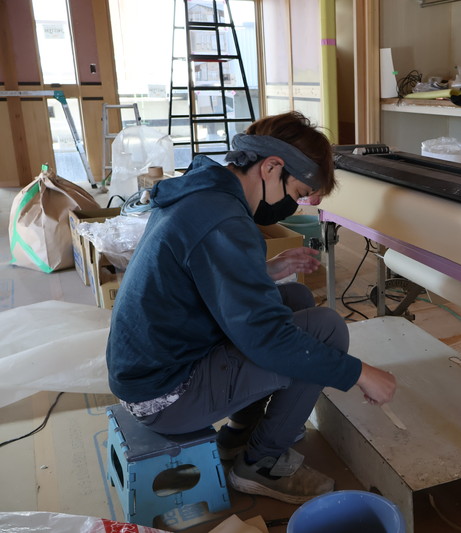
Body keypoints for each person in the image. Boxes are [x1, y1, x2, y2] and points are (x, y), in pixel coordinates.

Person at [106, 111, 396, 505]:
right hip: (166, 397)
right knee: (326, 329)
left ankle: (241, 431)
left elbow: (198, 275)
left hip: (153, 369)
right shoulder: (223, 219)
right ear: (271, 167)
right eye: (297, 193)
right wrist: (360, 373)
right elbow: (266, 338)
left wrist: (265, 270)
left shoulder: (203, 192)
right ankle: (262, 464)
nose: (294, 206)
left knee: (296, 299)